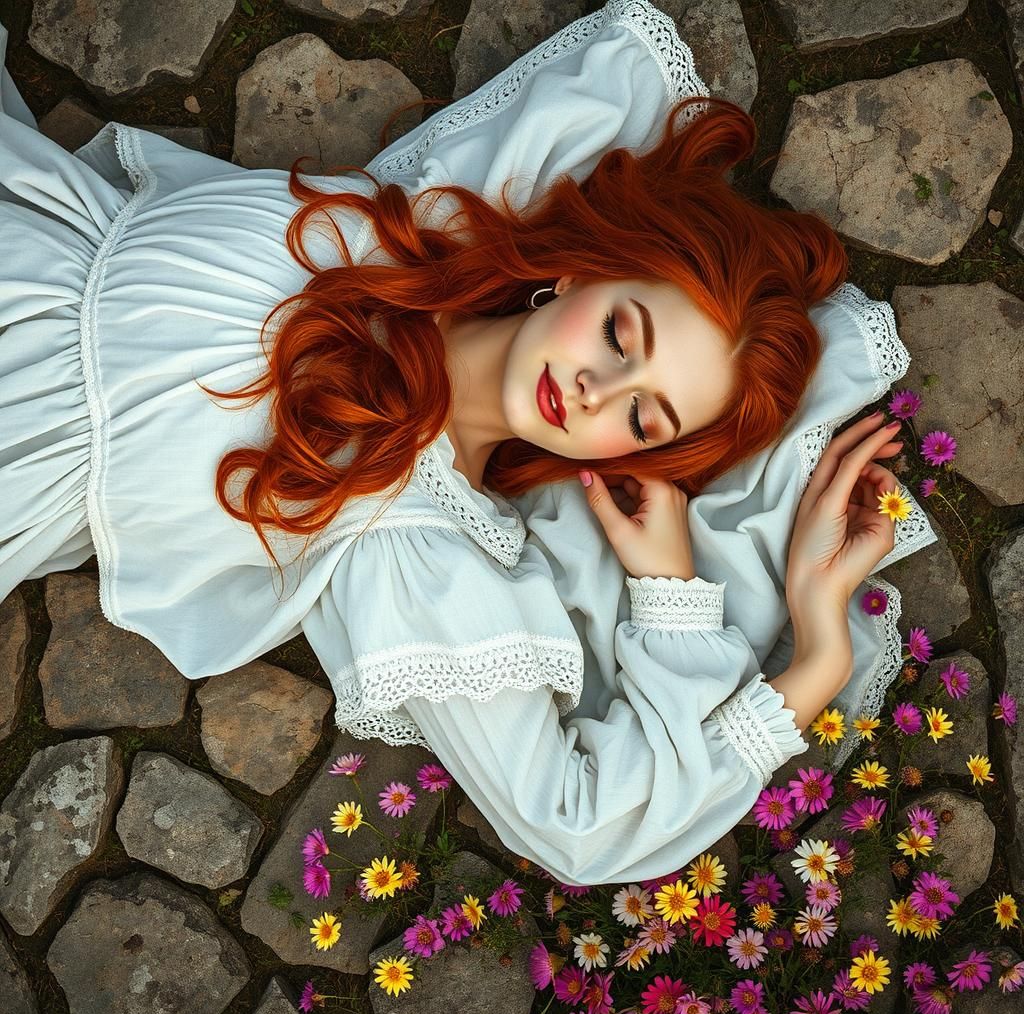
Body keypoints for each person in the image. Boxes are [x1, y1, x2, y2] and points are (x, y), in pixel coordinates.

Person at [0, 0, 937, 886]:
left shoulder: (419, 543)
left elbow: (573, 822)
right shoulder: (425, 222)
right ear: (581, 271)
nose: (596, 392)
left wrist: (802, 650)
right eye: (619, 336)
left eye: (644, 419)